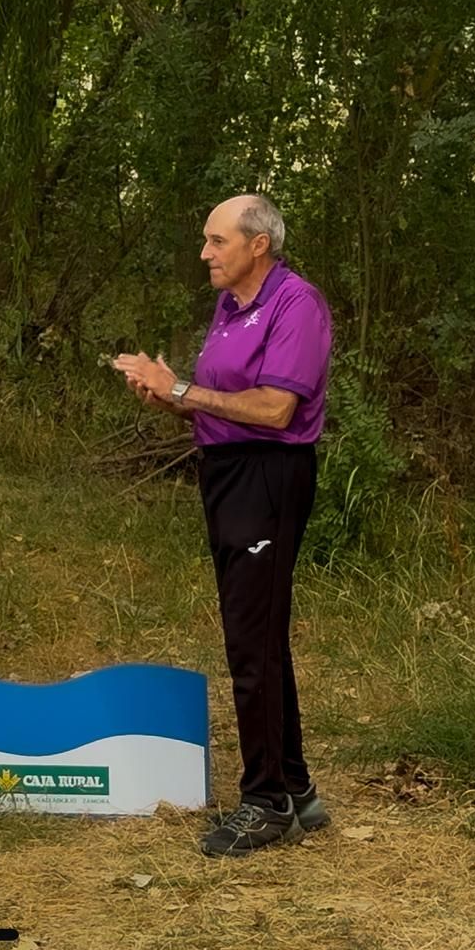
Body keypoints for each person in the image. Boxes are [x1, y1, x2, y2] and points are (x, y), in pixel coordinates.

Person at [113, 193, 332, 857]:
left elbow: (271, 410)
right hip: (226, 475)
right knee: (258, 635)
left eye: (217, 241)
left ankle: (265, 803)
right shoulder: (230, 305)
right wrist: (167, 396)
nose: (204, 253)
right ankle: (296, 790)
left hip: (270, 476)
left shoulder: (298, 304)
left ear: (257, 244)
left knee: (251, 645)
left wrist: (183, 389)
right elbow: (220, 408)